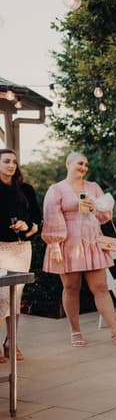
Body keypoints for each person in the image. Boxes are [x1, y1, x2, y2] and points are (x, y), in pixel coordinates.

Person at [42, 151, 116, 346]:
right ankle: (75, 331)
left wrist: (95, 208)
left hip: (92, 241)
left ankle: (115, 329)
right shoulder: (56, 189)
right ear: (68, 164)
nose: (84, 167)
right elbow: (51, 217)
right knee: (71, 287)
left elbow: (106, 216)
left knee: (101, 287)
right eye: (80, 163)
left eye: (86, 164)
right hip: (68, 244)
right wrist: (55, 244)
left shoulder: (93, 187)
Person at [0, 148, 40, 363]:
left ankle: (11, 342)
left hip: (22, 248)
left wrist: (28, 227)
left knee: (15, 297)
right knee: (0, 297)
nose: (11, 165)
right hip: (0, 248)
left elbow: (36, 222)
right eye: (6, 161)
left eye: (14, 161)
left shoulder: (26, 189)